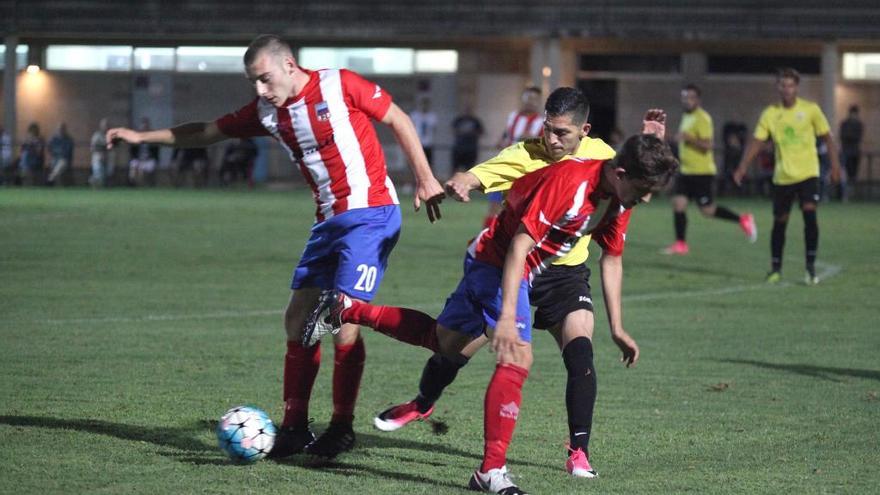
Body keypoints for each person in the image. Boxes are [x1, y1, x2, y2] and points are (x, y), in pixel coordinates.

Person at [106, 34, 445, 459]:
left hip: (371, 214)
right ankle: (295, 426)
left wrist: (425, 176)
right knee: (298, 318)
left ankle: (341, 427)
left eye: (264, 79)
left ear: (289, 65)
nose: (260, 90)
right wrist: (141, 138)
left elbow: (397, 117)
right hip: (327, 222)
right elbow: (206, 132)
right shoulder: (267, 112)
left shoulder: (338, 84)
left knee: (341, 317)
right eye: (253, 83)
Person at [306, 126, 677, 494]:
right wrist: (505, 319)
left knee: (443, 342)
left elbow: (611, 259)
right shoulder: (572, 186)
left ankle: (347, 309)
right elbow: (519, 247)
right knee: (517, 355)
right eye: (643, 191)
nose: (645, 200)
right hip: (497, 261)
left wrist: (617, 328)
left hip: (516, 264)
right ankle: (490, 470)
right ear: (620, 173)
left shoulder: (619, 197)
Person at [734, 68, 841, 285]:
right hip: (783, 177)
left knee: (810, 215)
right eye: (782, 85)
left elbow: (828, 139)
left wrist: (835, 166)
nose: (786, 89)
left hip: (808, 173)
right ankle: (775, 269)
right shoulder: (770, 114)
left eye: (790, 85)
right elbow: (757, 142)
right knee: (780, 222)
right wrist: (743, 166)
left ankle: (810, 268)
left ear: (796, 87)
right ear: (777, 87)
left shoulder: (810, 110)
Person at [664, 84, 756, 255]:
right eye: (684, 97)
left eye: (691, 97)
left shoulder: (703, 118)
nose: (687, 100)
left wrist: (689, 138)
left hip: (702, 172)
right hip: (686, 171)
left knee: (707, 210)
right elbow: (683, 140)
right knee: (678, 203)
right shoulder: (687, 117)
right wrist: (670, 137)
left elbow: (707, 145)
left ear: (698, 99)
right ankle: (681, 244)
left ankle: (743, 219)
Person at [484, 86, 543, 227]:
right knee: (494, 207)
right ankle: (484, 242)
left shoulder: (542, 122)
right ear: (523, 99)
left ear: (539, 102)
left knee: (520, 212)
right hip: (505, 168)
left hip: (526, 172)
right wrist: (502, 141)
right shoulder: (513, 116)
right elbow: (506, 135)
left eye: (535, 99)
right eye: (528, 97)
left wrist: (532, 140)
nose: (531, 101)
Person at [839, 104, 863, 200]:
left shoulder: (859, 124)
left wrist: (849, 137)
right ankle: (845, 195)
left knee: (853, 174)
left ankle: (851, 194)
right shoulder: (845, 123)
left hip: (854, 152)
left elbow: (858, 137)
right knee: (844, 173)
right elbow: (843, 136)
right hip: (846, 152)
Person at [451, 104, 484, 172]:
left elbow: (481, 132)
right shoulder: (459, 120)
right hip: (459, 148)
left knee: (470, 170)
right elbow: (453, 130)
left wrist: (471, 133)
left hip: (471, 149)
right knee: (455, 169)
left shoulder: (475, 120)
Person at [127, 117, 160, 187]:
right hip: (138, 159)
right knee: (133, 170)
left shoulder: (153, 138)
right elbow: (132, 151)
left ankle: (142, 185)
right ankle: (134, 185)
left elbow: (156, 152)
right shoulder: (136, 138)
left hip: (149, 160)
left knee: (142, 170)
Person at [409, 97, 437, 166]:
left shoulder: (432, 116)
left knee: (429, 164)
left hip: (428, 143)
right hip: (417, 143)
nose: (424, 106)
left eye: (426, 104)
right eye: (423, 104)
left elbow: (434, 129)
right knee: (415, 164)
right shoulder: (414, 115)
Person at [47, 122, 75, 186]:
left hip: (65, 160)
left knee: (62, 162)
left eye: (62, 129)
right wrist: (56, 153)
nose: (60, 130)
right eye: (59, 129)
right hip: (55, 159)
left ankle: (51, 178)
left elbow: (66, 153)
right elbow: (49, 148)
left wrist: (57, 152)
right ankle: (53, 178)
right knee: (57, 165)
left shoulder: (69, 140)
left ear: (65, 130)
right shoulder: (54, 138)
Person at [89, 118, 110, 187]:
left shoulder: (110, 135)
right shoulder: (97, 135)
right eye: (104, 125)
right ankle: (94, 179)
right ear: (101, 126)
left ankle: (99, 181)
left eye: (107, 125)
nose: (105, 127)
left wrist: (105, 154)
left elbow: (111, 147)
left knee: (112, 157)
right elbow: (92, 148)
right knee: (98, 165)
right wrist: (100, 154)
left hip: (108, 155)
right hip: (98, 155)